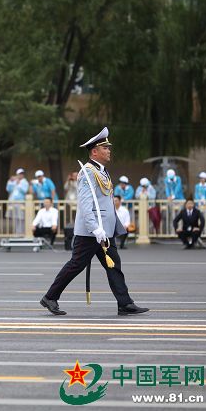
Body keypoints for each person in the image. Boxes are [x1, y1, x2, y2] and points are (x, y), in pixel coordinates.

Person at [41, 127, 148, 317]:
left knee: (113, 264)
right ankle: (50, 297)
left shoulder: (101, 171)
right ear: (94, 152)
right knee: (76, 265)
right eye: (105, 148)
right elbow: (84, 203)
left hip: (104, 230)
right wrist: (95, 228)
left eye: (108, 147)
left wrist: (105, 228)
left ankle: (125, 303)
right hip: (91, 232)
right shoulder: (87, 172)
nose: (109, 150)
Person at [6, 168, 29, 234]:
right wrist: (10, 181)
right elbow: (8, 189)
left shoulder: (25, 182)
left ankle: (21, 232)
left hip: (20, 202)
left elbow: (25, 191)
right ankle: (16, 232)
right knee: (15, 218)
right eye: (19, 174)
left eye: (22, 174)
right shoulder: (14, 182)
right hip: (13, 202)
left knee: (21, 217)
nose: (21, 175)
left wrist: (19, 184)